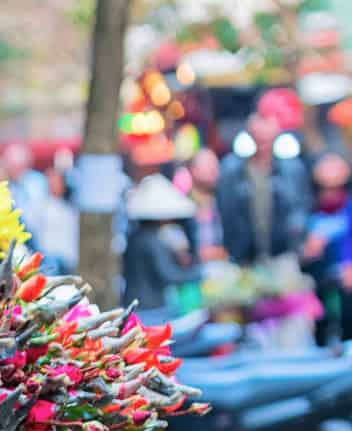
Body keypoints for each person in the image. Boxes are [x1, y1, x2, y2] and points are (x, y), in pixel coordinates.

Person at [217, 113, 311, 266]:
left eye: (267, 139)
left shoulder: (293, 168)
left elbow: (302, 206)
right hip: (243, 254)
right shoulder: (231, 169)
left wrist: (298, 239)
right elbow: (225, 210)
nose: (263, 145)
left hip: (284, 253)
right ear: (250, 136)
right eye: (259, 139)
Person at [123, 173, 202, 313]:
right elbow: (167, 274)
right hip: (149, 307)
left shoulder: (136, 236)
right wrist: (197, 274)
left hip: (135, 303)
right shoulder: (152, 241)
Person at [303, 152, 352, 346]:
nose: (331, 170)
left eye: (335, 165)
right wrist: (307, 250)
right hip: (320, 279)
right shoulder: (308, 206)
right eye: (326, 165)